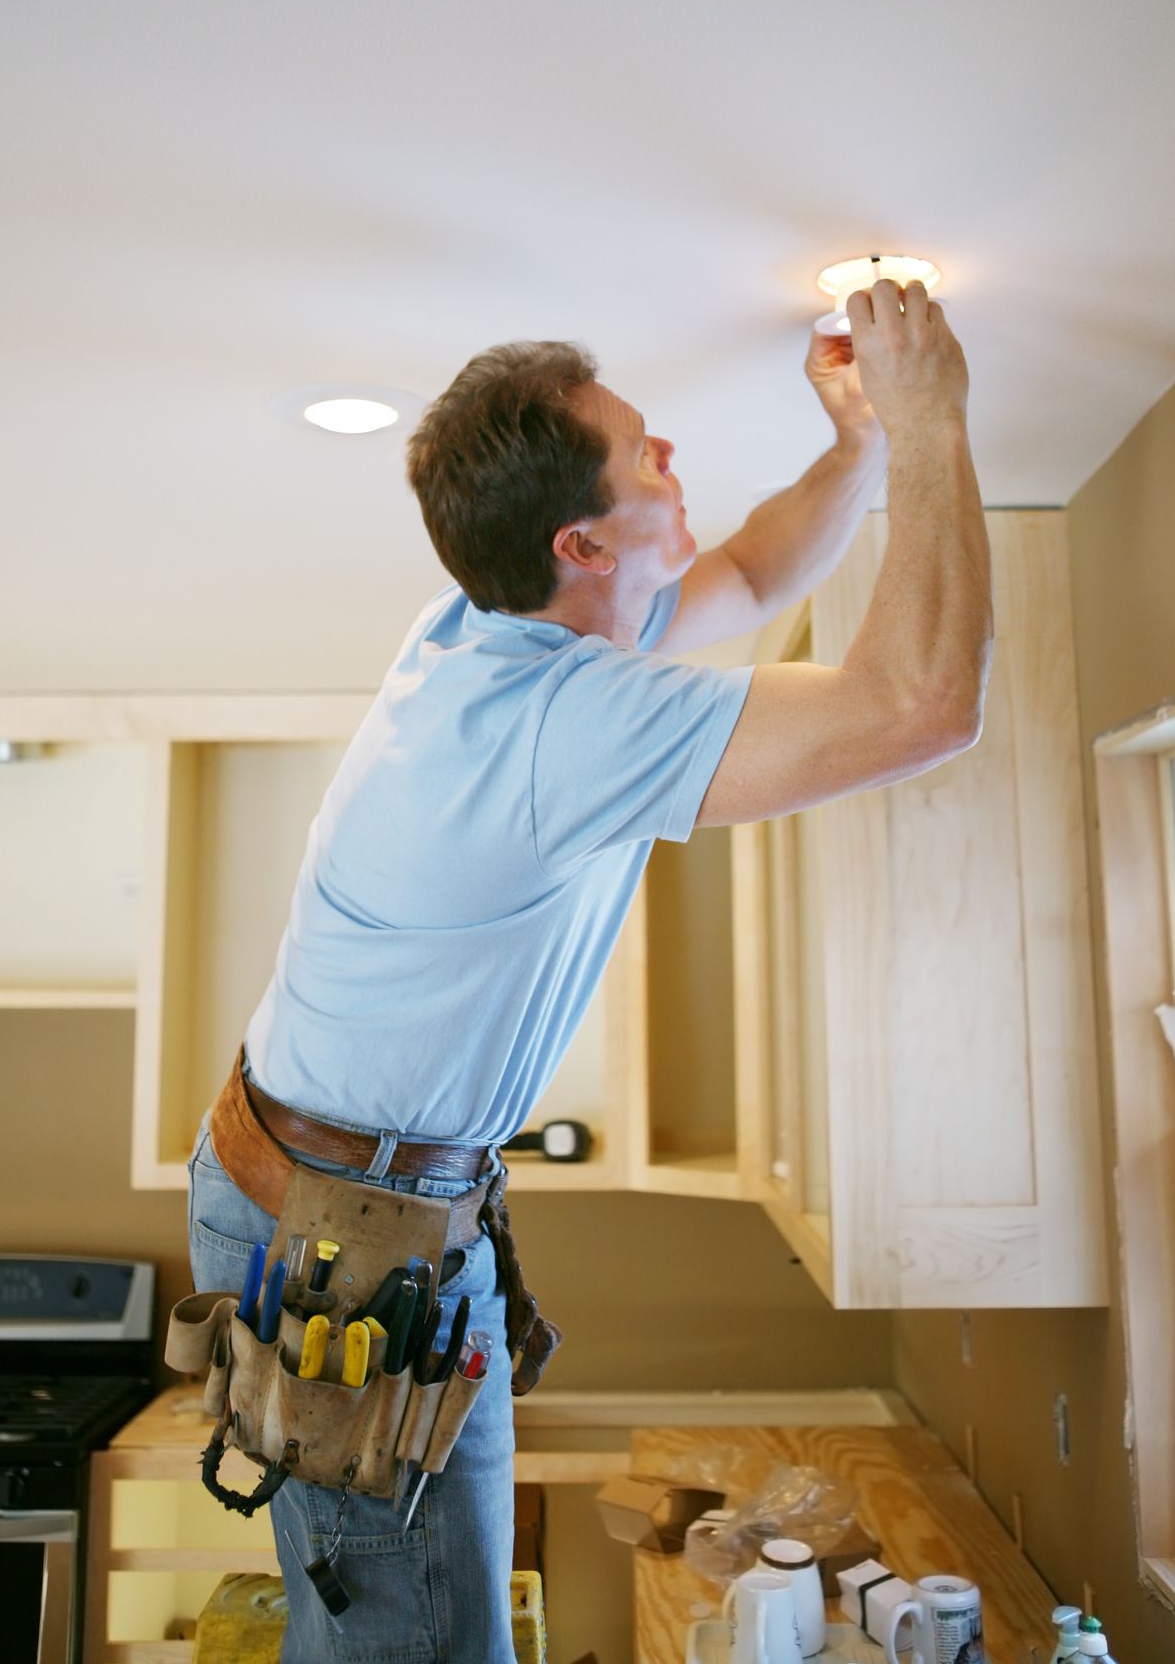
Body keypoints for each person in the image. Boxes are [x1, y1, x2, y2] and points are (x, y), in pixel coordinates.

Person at [186, 275, 991, 1661]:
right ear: (580, 538)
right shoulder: (559, 722)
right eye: (644, 453)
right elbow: (920, 704)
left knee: (424, 1623)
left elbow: (742, 577)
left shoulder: (486, 632)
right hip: (343, 1237)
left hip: (364, 1208)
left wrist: (856, 447)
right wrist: (930, 429)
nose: (671, 455)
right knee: (416, 1642)